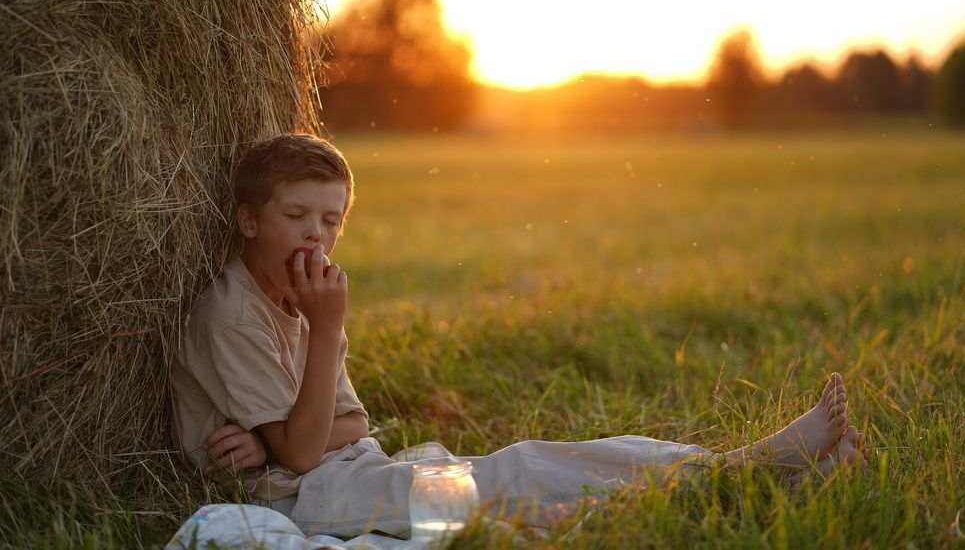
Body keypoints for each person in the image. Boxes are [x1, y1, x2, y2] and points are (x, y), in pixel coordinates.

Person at [170, 134, 867, 539]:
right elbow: (304, 447)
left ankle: (749, 469)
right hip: (314, 501)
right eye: (297, 216)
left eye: (331, 220)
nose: (317, 235)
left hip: (350, 473)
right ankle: (751, 473)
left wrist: (275, 435)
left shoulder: (304, 298)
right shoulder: (237, 314)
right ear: (249, 220)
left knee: (555, 461)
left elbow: (349, 421)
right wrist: (323, 344)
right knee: (524, 476)